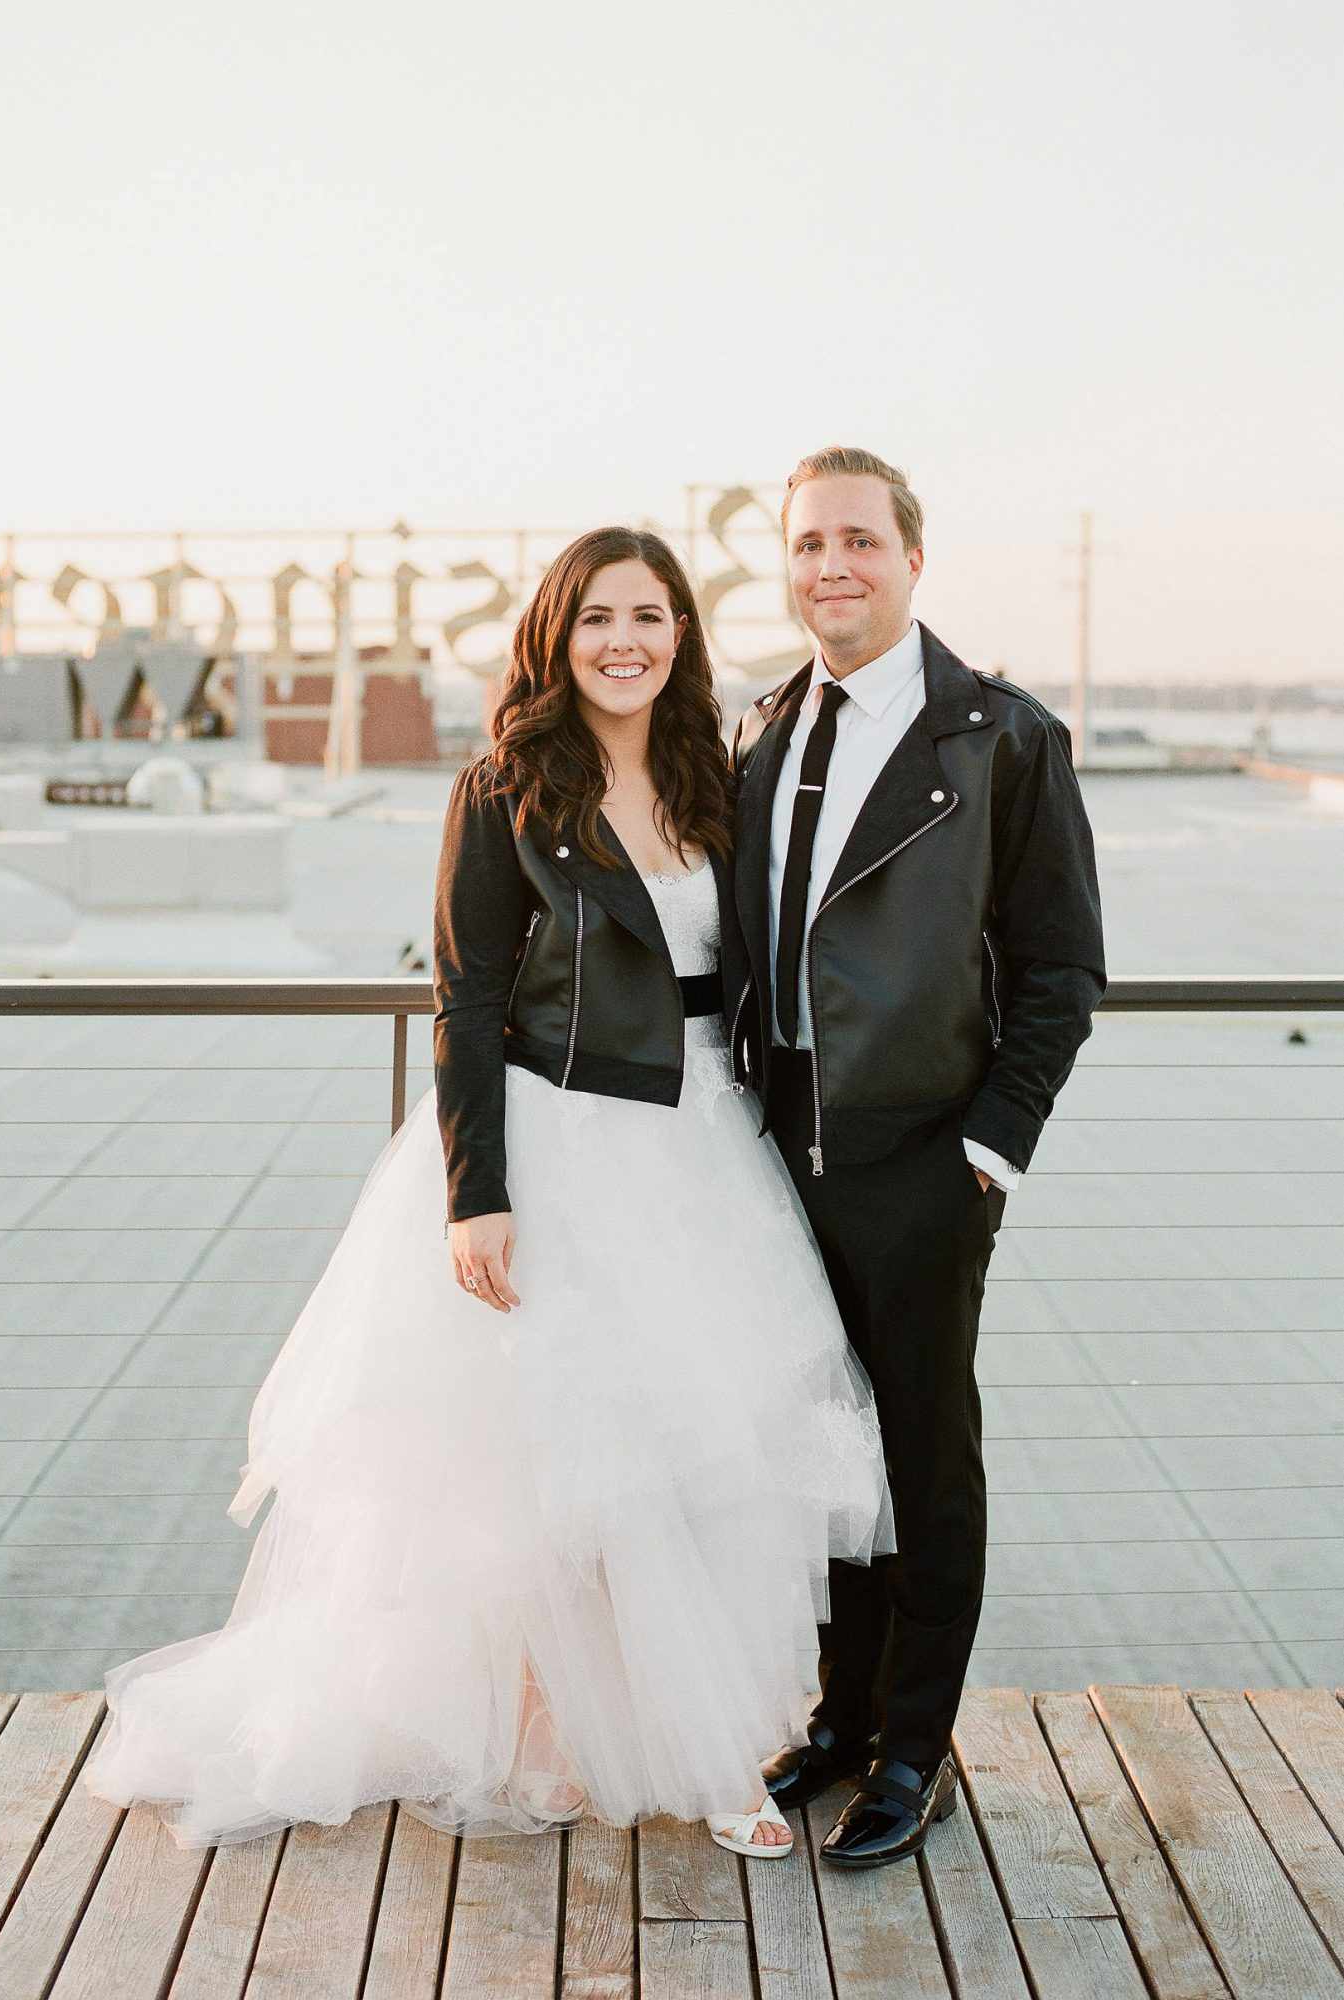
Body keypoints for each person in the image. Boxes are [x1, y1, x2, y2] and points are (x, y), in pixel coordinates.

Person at [83, 525, 891, 1857]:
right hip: (563, 1143)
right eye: (596, 619)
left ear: (681, 636)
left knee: (708, 1465)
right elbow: (463, 999)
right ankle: (573, 1738)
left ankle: (709, 1741)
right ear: (555, 638)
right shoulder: (506, 785)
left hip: (708, 1145)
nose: (623, 642)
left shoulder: (716, 774)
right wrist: (478, 1193)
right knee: (569, 1470)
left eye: (648, 616)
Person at [730, 447, 1106, 1868]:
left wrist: (989, 1150)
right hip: (777, 1151)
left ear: (911, 559)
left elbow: (1062, 969)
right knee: (822, 1445)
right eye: (807, 544)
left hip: (922, 1154)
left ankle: (913, 1746)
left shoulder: (1001, 739)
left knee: (923, 1451)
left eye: (858, 541)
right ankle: (842, 1717)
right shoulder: (763, 725)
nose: (831, 565)